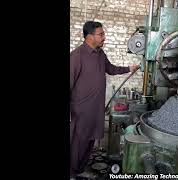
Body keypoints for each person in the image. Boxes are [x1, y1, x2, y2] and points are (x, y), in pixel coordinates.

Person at [70, 21, 139, 179]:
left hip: (95, 110)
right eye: (101, 34)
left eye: (103, 34)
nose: (104, 37)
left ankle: (80, 169)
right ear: (89, 37)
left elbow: (111, 69)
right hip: (80, 112)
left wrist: (129, 68)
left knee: (89, 143)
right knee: (76, 144)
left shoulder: (100, 54)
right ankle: (71, 173)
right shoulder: (76, 56)